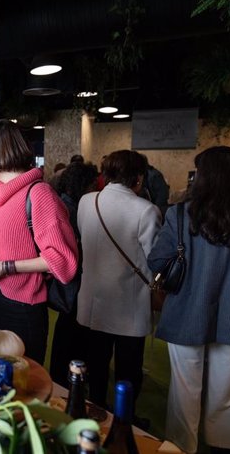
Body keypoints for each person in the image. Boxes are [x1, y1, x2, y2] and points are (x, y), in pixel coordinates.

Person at [148, 146, 230, 454]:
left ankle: (182, 448)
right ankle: (228, 447)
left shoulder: (179, 214)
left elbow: (157, 261)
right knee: (227, 389)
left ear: (202, 176)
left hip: (187, 310)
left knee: (185, 391)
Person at [0, 120, 78, 364]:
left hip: (22, 308)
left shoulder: (38, 194)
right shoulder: (2, 194)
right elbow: (10, 242)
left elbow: (62, 259)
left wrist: (5, 267)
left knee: (23, 383)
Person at [76, 150, 161, 414]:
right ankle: (124, 419)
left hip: (92, 299)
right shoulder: (146, 210)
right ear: (139, 177)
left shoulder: (87, 202)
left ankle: (97, 410)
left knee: (97, 364)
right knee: (128, 369)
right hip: (129, 303)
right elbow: (155, 258)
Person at [48, 161, 98, 387]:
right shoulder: (75, 210)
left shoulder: (64, 203)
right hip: (74, 282)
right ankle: (68, 381)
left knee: (66, 333)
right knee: (73, 333)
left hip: (67, 283)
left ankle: (63, 377)